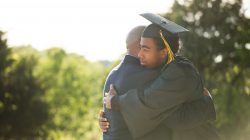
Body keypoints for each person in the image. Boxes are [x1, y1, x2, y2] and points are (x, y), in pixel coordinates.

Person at [104, 13, 220, 140]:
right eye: (140, 48)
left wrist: (115, 102)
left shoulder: (179, 72)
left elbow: (153, 104)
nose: (140, 54)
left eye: (146, 49)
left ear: (164, 52)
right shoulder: (169, 69)